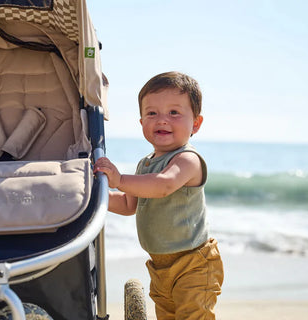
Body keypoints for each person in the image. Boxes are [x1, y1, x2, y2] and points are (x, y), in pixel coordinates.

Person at [94, 71, 224, 320]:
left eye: (174, 113)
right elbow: (129, 204)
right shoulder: (145, 165)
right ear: (141, 121)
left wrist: (120, 180)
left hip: (194, 263)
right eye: (152, 113)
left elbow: (163, 185)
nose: (162, 120)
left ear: (195, 123)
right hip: (159, 265)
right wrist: (96, 196)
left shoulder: (188, 159)